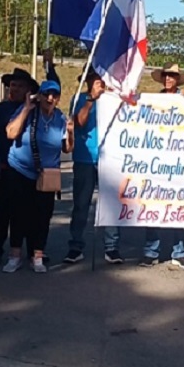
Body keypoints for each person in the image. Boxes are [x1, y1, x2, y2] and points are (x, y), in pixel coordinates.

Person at [0, 60, 59, 265]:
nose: (14, 89)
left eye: (19, 86)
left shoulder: (35, 109)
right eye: (12, 85)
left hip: (27, 170)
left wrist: (49, 66)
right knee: (1, 212)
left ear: (29, 90)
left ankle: (31, 250)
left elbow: (54, 91)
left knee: (28, 213)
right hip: (4, 168)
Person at [2, 80, 74, 273]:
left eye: (55, 95)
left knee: (42, 216)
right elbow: (10, 133)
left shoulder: (60, 118)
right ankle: (14, 256)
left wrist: (70, 133)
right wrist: (25, 109)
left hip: (46, 175)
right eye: (46, 94)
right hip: (20, 170)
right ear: (39, 95)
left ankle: (37, 256)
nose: (50, 98)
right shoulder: (27, 112)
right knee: (18, 214)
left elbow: (67, 148)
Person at [65, 70, 123, 265]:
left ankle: (111, 247)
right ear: (87, 81)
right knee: (81, 204)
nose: (99, 83)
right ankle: (75, 246)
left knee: (110, 204)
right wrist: (91, 99)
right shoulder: (78, 98)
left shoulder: (113, 100)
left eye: (101, 80)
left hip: (110, 159)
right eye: (94, 80)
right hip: (85, 158)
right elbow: (79, 123)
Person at [141, 62, 184, 269]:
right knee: (153, 208)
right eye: (166, 76)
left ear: (178, 80)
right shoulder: (154, 101)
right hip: (157, 162)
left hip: (180, 163)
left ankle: (179, 252)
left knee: (179, 208)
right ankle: (151, 251)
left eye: (172, 76)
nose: (169, 79)